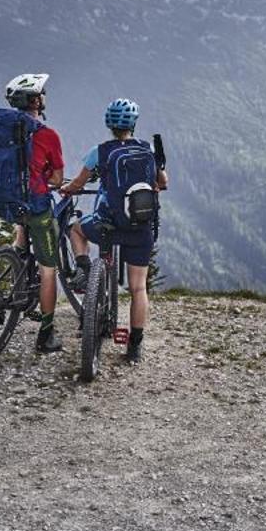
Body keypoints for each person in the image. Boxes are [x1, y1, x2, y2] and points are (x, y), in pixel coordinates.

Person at [63, 97, 167, 362]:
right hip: (140, 229)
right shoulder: (147, 149)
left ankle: (86, 271)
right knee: (138, 288)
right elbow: (162, 182)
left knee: (76, 229)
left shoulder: (100, 151)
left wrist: (67, 189)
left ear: (109, 123)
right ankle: (134, 347)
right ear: (134, 123)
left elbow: (77, 183)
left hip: (107, 226)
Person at [0, 73, 69, 355]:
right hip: (36, 205)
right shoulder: (47, 135)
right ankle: (46, 334)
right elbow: (57, 180)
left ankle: (16, 261)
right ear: (36, 100)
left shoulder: (2, 129)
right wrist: (48, 178)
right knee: (48, 269)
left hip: (8, 201)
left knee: (21, 223)